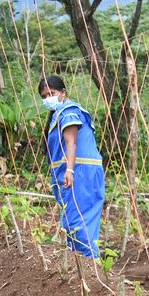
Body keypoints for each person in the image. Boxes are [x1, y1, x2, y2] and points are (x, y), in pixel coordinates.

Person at [39, 75, 105, 262]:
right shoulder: (59, 114)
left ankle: (89, 263)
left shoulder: (68, 111)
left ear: (63, 93)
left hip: (80, 172)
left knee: (78, 220)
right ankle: (82, 263)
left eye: (51, 93)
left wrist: (70, 170)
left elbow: (71, 141)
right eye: (44, 96)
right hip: (78, 171)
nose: (47, 99)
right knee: (72, 218)